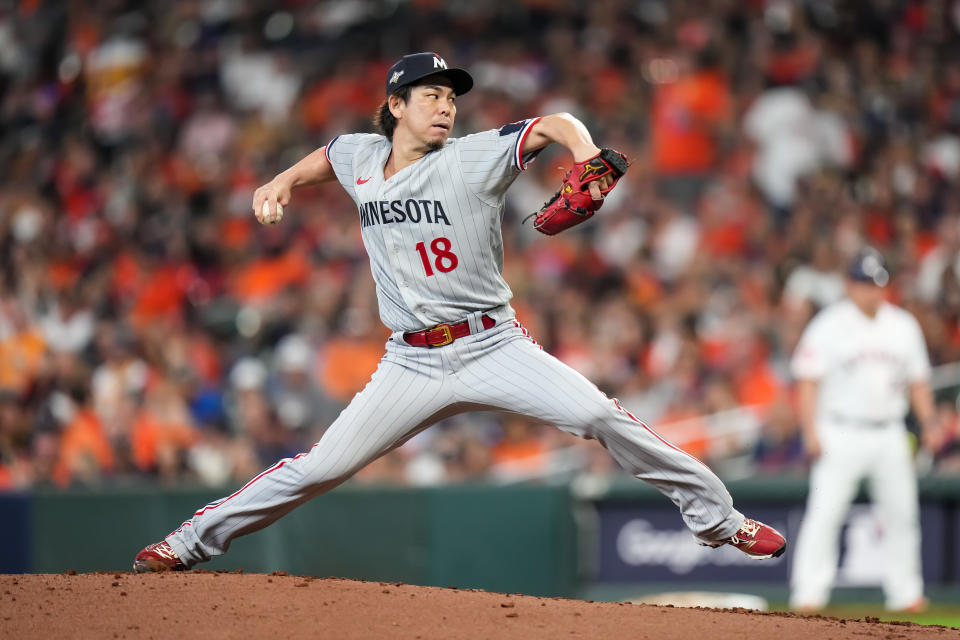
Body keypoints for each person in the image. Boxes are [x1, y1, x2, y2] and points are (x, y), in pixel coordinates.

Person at [133, 52, 785, 573]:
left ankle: (719, 520)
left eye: (451, 97)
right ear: (396, 106)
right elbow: (327, 157)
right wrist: (279, 182)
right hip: (409, 361)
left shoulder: (473, 157)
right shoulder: (362, 154)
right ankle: (190, 543)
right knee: (321, 468)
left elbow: (553, 122)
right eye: (432, 96)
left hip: (491, 346)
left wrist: (584, 154)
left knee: (595, 414)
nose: (447, 106)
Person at [789, 247, 933, 612]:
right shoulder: (828, 324)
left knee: (902, 514)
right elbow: (807, 381)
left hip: (889, 431)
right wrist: (810, 431)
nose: (872, 291)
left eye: (877, 284)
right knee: (825, 513)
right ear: (849, 284)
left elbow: (918, 382)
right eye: (865, 283)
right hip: (840, 430)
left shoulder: (903, 324)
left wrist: (928, 422)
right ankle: (808, 593)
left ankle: (906, 592)